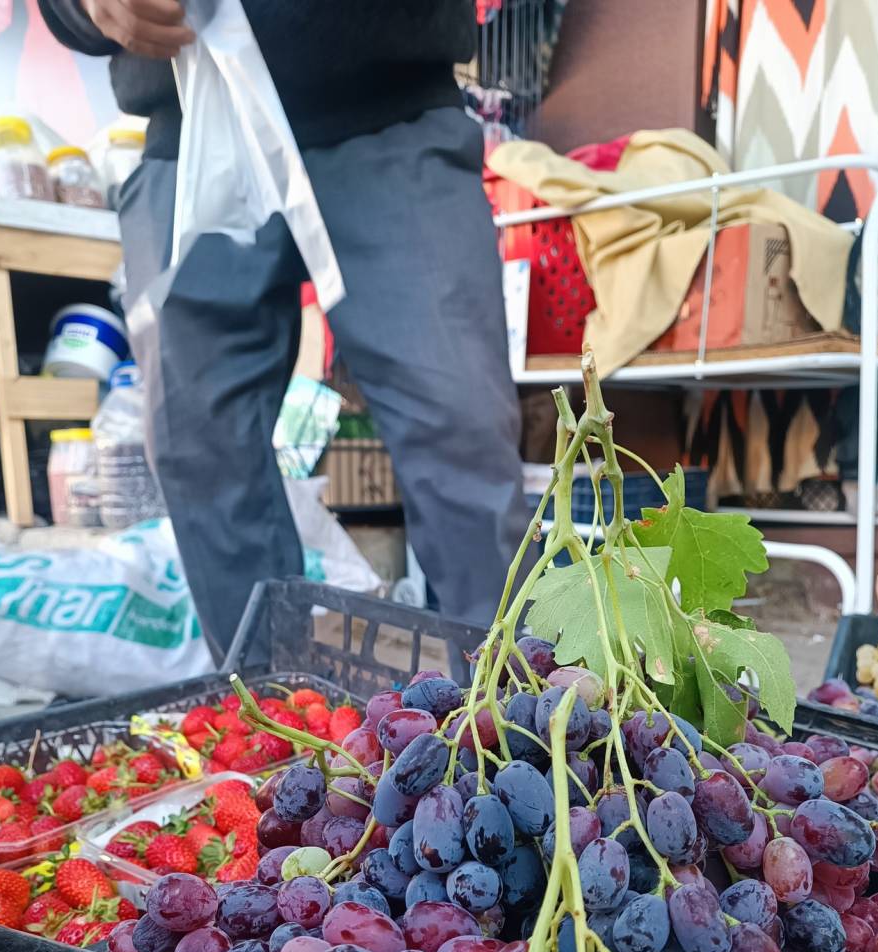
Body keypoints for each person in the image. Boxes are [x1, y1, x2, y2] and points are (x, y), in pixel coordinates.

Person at [38, 0, 527, 660]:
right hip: (190, 128)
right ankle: (269, 711)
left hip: (388, 104)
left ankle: (513, 716)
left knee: (459, 428)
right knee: (199, 447)